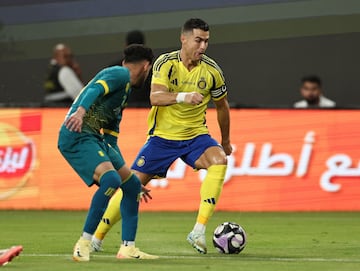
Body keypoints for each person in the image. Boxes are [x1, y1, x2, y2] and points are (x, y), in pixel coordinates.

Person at [92, 18, 232, 255]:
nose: (203, 46)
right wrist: (183, 96)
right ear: (184, 39)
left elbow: (222, 106)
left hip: (196, 136)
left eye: (206, 41)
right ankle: (97, 237)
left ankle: (198, 230)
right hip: (162, 138)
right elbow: (155, 97)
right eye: (198, 40)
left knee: (219, 159)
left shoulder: (212, 71)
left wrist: (225, 141)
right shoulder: (165, 63)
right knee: (133, 186)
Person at [57, 44, 158, 261]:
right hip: (76, 134)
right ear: (146, 67)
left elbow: (111, 141)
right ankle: (83, 244)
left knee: (131, 187)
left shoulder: (123, 93)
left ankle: (128, 248)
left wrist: (129, 177)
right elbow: (95, 89)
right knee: (111, 180)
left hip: (94, 139)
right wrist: (81, 112)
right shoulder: (119, 73)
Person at [109, 30, 151, 107]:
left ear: (126, 46)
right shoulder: (153, 69)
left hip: (124, 114)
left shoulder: (114, 69)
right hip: (148, 112)